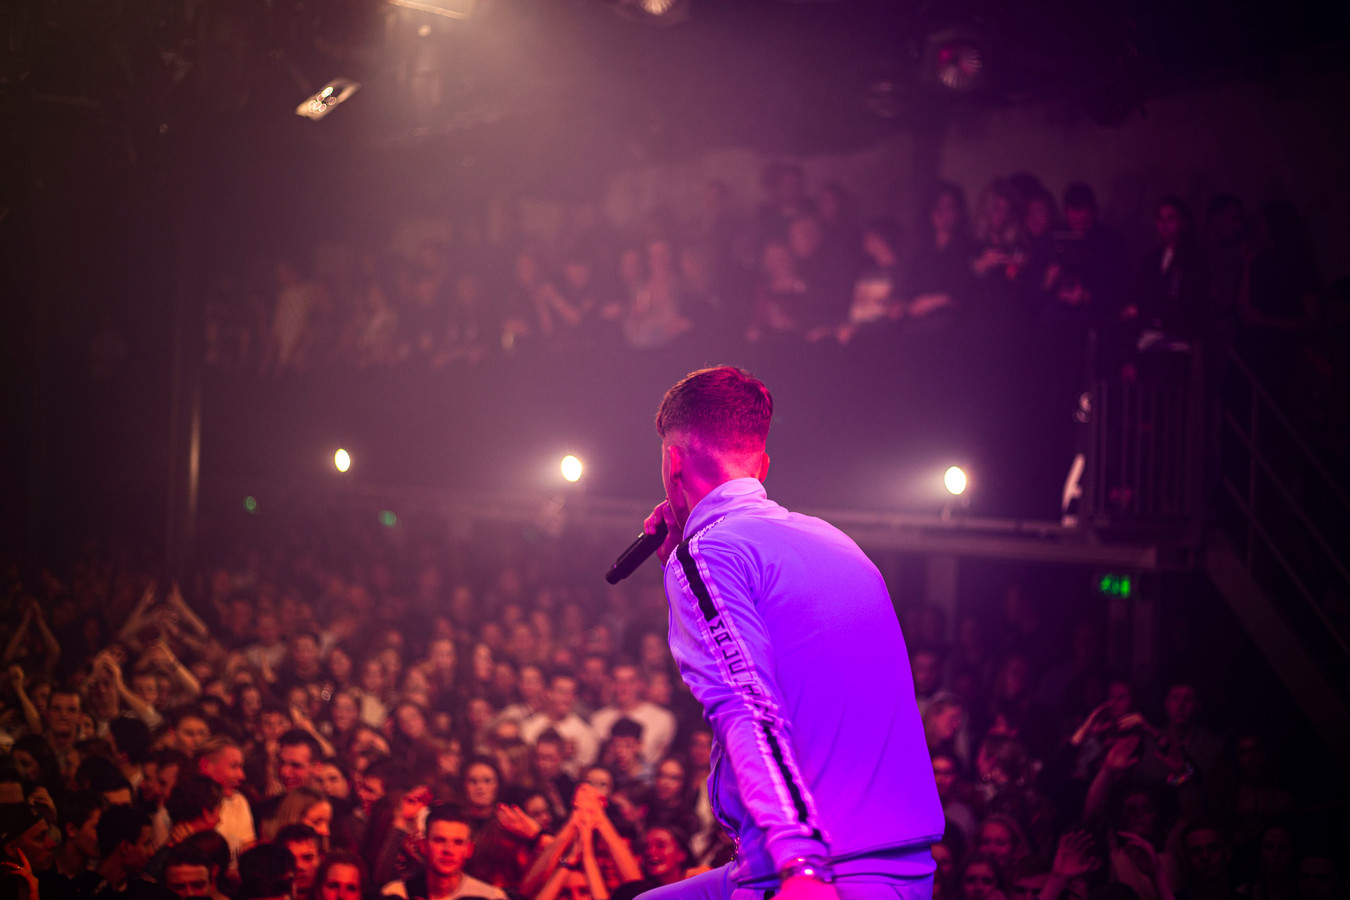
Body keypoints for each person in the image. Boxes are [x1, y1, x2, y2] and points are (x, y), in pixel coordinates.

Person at [640, 366, 945, 900]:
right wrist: (682, 561)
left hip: (818, 871)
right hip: (903, 868)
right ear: (761, 464)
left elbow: (748, 707)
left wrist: (799, 862)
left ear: (673, 462)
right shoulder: (834, 541)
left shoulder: (711, 553)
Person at [380, 804, 506, 900]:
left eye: (458, 842)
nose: (448, 850)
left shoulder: (491, 897)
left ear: (469, 850)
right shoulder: (398, 894)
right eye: (439, 840)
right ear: (423, 846)